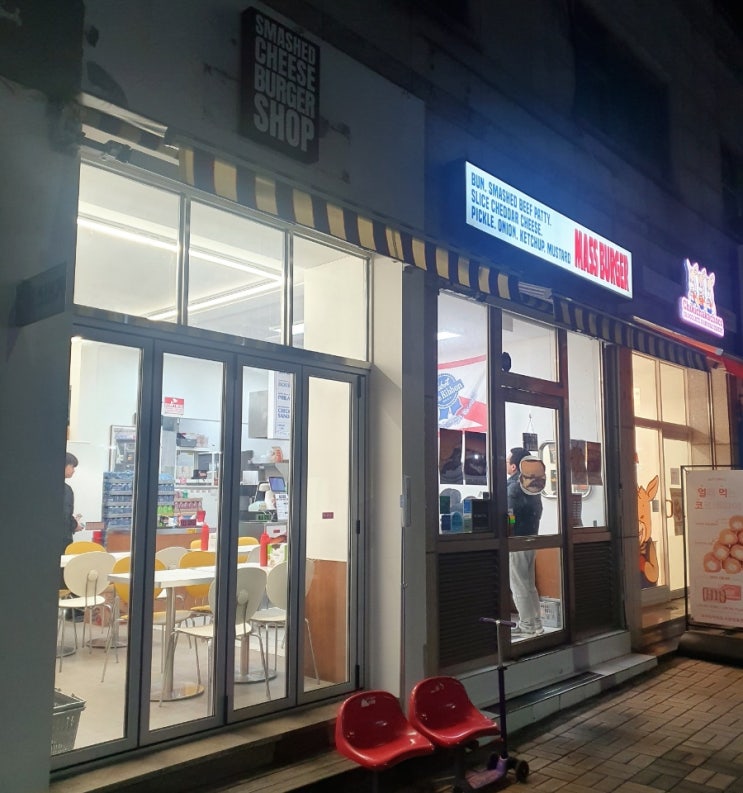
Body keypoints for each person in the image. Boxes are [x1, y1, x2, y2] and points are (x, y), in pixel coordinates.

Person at [507, 447, 544, 637]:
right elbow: (538, 511)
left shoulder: (513, 487)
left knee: (519, 584)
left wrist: (510, 530)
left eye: (507, 462)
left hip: (517, 540)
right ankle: (536, 622)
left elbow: (509, 514)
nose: (506, 465)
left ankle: (527, 625)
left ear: (514, 466)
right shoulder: (532, 485)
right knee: (529, 584)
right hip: (532, 538)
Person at [63, 452, 82, 554]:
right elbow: (65, 515)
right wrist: (75, 525)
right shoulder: (66, 489)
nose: (74, 470)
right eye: (72, 466)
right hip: (62, 539)